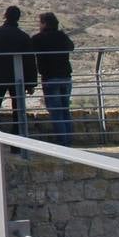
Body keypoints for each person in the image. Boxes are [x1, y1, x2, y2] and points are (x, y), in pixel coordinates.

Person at [0, 6, 37, 136]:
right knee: (18, 111)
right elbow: (29, 61)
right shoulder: (23, 37)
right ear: (18, 18)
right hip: (17, 78)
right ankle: (17, 144)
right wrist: (31, 83)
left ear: (5, 16)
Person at [31, 12, 75, 146]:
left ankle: (63, 142)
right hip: (66, 77)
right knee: (65, 110)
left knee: (56, 111)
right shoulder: (62, 36)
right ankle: (68, 140)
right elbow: (71, 47)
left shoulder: (38, 38)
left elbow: (28, 50)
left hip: (50, 78)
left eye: (40, 22)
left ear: (44, 24)